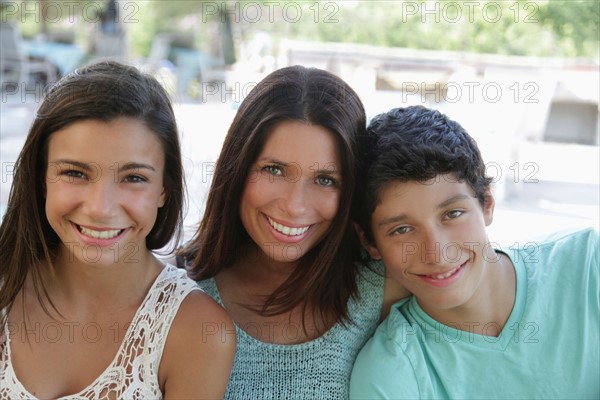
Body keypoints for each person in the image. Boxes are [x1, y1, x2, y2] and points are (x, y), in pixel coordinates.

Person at [0, 61, 235, 399]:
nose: (100, 207)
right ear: (41, 178)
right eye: (75, 173)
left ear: (164, 190)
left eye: (133, 178)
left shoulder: (196, 332)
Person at [178, 65, 409, 399]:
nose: (294, 206)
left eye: (325, 180)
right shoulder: (175, 291)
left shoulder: (386, 289)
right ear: (238, 168)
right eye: (274, 170)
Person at [349, 105, 599, 399]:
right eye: (402, 230)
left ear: (487, 203)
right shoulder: (390, 372)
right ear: (370, 242)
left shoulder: (588, 266)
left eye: (453, 214)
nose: (437, 253)